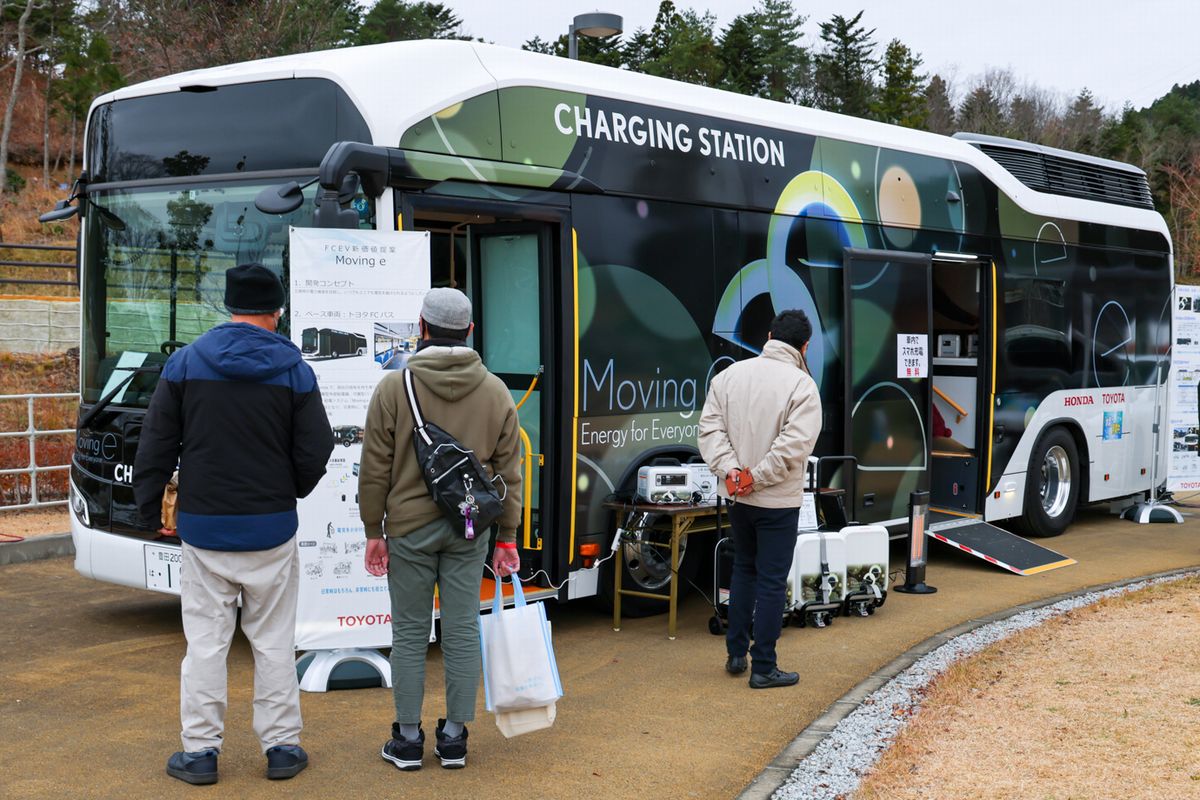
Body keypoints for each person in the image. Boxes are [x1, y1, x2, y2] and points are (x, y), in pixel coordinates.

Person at [133, 263, 334, 784]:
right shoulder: (295, 369)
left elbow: (155, 443)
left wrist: (145, 509)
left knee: (205, 644)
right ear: (276, 310)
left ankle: (200, 754)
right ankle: (283, 748)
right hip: (270, 531)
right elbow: (317, 448)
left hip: (204, 529)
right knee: (272, 642)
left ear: (229, 305)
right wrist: (287, 489)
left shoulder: (185, 363)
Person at [359, 287, 522, 771]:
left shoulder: (394, 387)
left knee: (410, 632)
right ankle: (454, 737)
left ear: (422, 327)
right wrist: (508, 536)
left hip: (408, 528)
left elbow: (374, 467)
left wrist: (374, 528)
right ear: (470, 331)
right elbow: (509, 472)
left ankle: (408, 740)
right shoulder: (495, 390)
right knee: (462, 627)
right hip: (470, 526)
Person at [698, 309, 822, 689]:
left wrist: (733, 472)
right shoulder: (802, 387)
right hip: (777, 501)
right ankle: (764, 667)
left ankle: (736, 654)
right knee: (770, 581)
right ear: (804, 346)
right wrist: (757, 476)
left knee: (744, 570)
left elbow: (709, 430)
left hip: (737, 497)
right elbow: (792, 448)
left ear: (769, 335)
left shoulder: (729, 376)